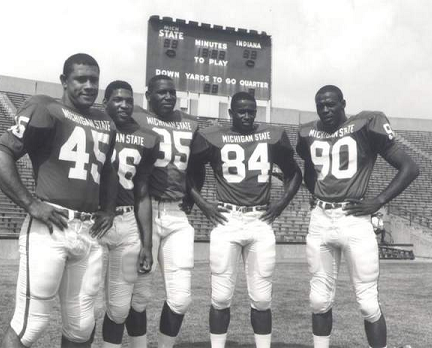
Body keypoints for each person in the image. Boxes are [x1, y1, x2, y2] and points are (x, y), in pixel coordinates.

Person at [0, 53, 117, 348]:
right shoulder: (46, 108)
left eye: (93, 79)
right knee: (30, 326)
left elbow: (109, 169)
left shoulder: (104, 121)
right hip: (51, 227)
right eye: (80, 79)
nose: (88, 85)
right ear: (64, 81)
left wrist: (108, 208)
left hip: (88, 232)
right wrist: (31, 204)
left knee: (82, 327)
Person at [296, 85, 419, 348]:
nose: (325, 109)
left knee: (367, 302)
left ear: (343, 103)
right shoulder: (307, 132)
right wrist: (317, 194)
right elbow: (308, 171)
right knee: (318, 300)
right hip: (321, 219)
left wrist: (378, 201)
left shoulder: (366, 124)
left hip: (353, 219)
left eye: (331, 104)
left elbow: (410, 167)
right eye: (320, 105)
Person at [188, 91, 302, 348]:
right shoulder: (211, 137)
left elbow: (294, 173)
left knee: (262, 299)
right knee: (220, 297)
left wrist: (281, 204)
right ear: (230, 113)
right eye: (241, 111)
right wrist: (203, 204)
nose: (247, 115)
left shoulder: (272, 136)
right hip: (227, 220)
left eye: (251, 111)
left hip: (259, 220)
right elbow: (186, 172)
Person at [131, 75, 200, 348]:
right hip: (144, 211)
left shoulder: (190, 123)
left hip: (176, 214)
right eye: (161, 93)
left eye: (172, 93)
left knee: (181, 298)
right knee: (139, 296)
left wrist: (193, 196)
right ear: (148, 95)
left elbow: (197, 165)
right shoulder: (136, 118)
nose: (168, 97)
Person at [100, 80, 159, 348]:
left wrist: (147, 243)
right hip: (93, 222)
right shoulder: (92, 126)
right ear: (105, 103)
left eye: (128, 100)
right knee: (84, 303)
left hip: (127, 224)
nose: (124, 104)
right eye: (117, 99)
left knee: (124, 303)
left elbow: (142, 193)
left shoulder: (146, 138)